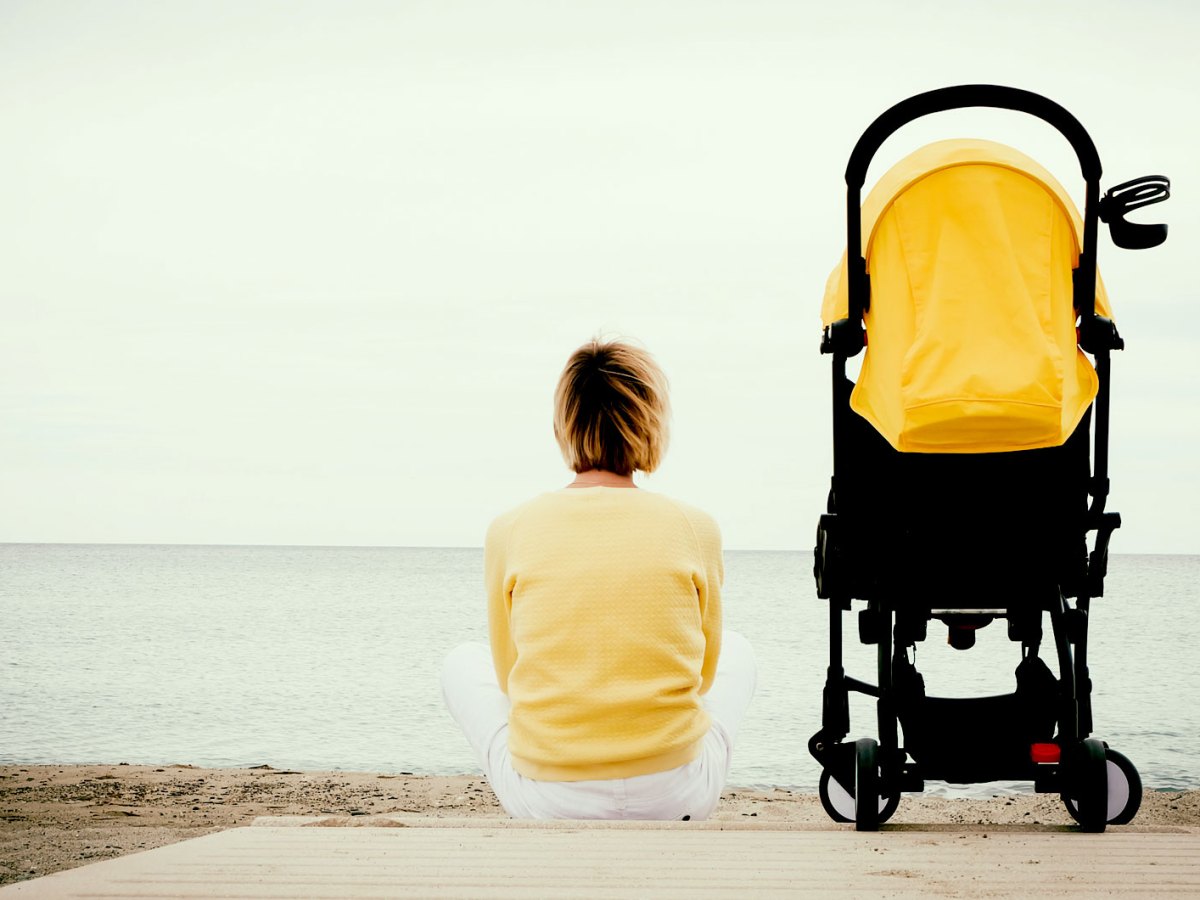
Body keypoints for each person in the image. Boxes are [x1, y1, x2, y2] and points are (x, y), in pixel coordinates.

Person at [441, 337, 757, 820]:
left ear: (562, 424)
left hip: (548, 799)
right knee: (739, 650)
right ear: (651, 422)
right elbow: (705, 674)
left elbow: (509, 677)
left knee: (461, 663)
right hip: (675, 795)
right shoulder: (697, 527)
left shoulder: (510, 528)